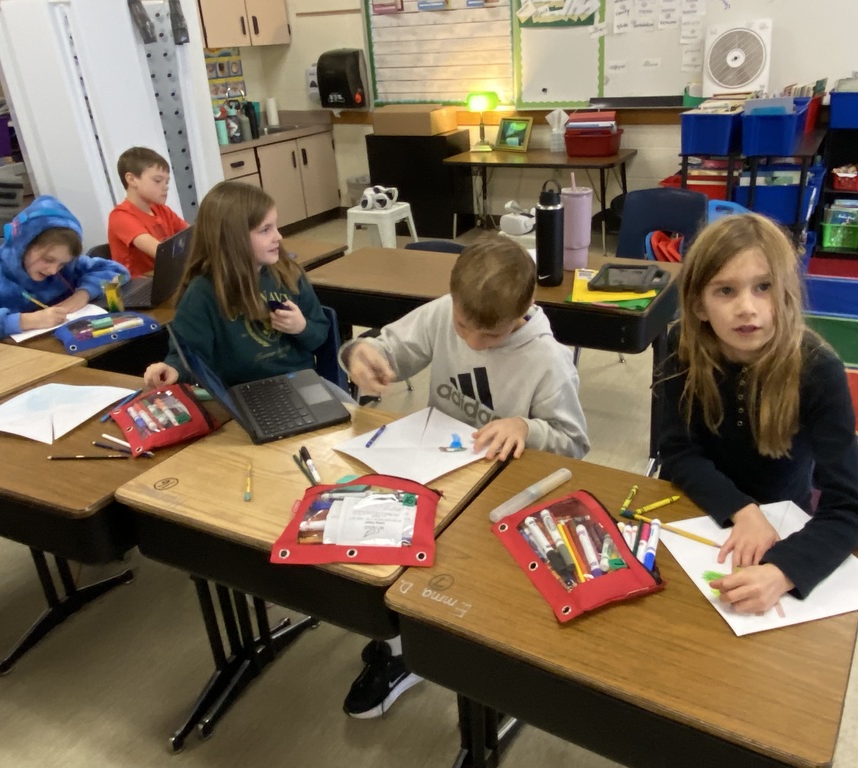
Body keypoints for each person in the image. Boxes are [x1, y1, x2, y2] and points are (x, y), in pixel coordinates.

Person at [339, 234, 589, 719]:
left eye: (491, 336)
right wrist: (359, 355)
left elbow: (575, 445)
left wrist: (527, 426)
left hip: (503, 488)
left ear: (525, 309)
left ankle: (477, 667)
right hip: (436, 470)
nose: (473, 342)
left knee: (473, 584)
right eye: (463, 326)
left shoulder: (547, 360)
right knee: (381, 544)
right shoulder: (442, 314)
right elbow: (384, 348)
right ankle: (403, 649)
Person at [657, 213, 858, 615]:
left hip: (782, 522)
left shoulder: (818, 370)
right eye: (724, 290)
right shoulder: (681, 346)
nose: (746, 308)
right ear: (699, 305)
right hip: (695, 512)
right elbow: (677, 450)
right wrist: (742, 510)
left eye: (764, 287)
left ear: (787, 293)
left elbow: (850, 508)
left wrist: (783, 572)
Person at [144, 181, 328, 389]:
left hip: (302, 383)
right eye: (265, 230)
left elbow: (320, 335)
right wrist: (173, 369)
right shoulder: (203, 293)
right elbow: (187, 356)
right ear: (233, 239)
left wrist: (301, 327)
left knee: (352, 416)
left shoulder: (288, 273)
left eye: (275, 227)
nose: (279, 236)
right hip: (244, 395)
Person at [0, 196, 129, 345]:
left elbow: (117, 270)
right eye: (48, 260)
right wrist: (25, 320)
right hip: (21, 362)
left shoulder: (67, 266)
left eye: (61, 264)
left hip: (69, 347)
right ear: (23, 246)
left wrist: (83, 293)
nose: (54, 270)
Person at [107, 146, 189, 277]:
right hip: (139, 289)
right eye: (157, 180)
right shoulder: (120, 217)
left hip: (164, 278)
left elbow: (193, 237)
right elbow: (162, 254)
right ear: (132, 179)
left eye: (167, 182)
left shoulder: (162, 210)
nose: (165, 187)